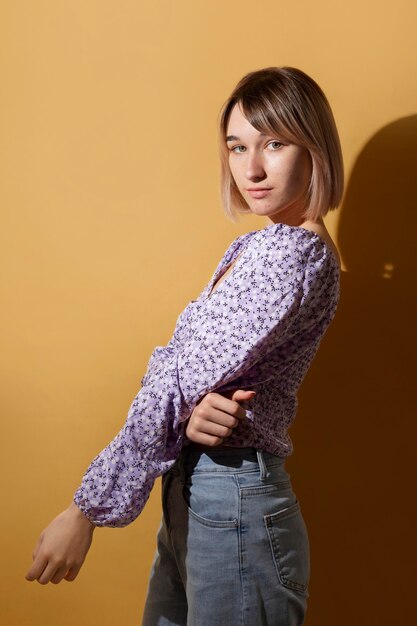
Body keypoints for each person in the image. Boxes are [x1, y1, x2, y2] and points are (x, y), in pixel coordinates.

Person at [25, 66, 343, 626]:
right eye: (237, 146)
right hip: (200, 491)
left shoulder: (290, 255)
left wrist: (86, 509)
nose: (252, 168)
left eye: (274, 143)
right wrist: (187, 404)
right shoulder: (255, 246)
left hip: (235, 495)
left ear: (313, 147)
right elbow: (183, 376)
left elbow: (177, 374)